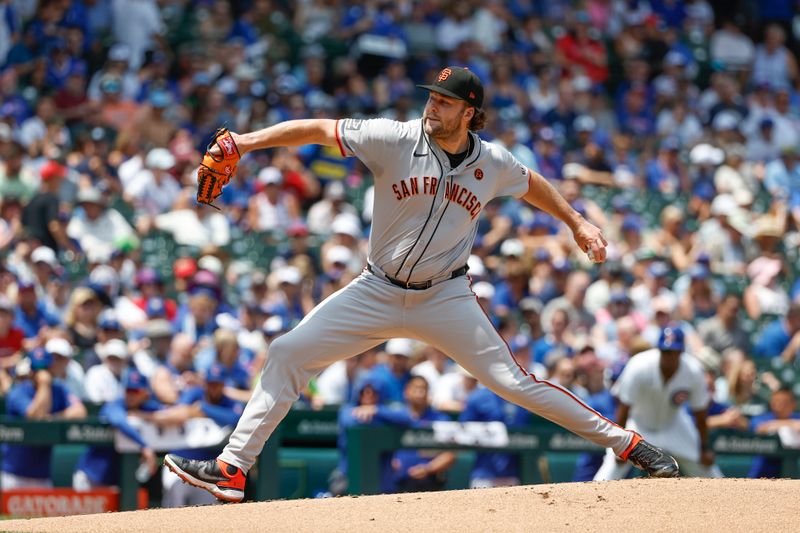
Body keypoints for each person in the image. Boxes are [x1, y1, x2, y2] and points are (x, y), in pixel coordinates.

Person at [166, 66, 678, 503]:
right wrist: (246, 142)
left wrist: (577, 222)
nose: (432, 107)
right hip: (376, 289)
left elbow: (533, 184)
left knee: (515, 383)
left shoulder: (492, 163)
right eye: (431, 97)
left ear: (470, 111)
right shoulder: (394, 137)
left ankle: (627, 444)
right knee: (286, 352)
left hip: (445, 296)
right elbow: (320, 130)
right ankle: (233, 468)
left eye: (445, 101)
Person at [594, 326, 721, 480]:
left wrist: (704, 448)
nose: (669, 356)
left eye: (673, 352)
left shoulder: (693, 370)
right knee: (610, 471)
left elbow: (700, 414)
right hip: (638, 426)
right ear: (659, 350)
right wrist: (618, 446)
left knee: (708, 470)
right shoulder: (639, 364)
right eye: (665, 351)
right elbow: (624, 408)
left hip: (674, 425)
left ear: (681, 352)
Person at [2, 348, 87, 489]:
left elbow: (80, 411)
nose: (41, 372)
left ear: (51, 367)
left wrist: (53, 417)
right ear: (30, 370)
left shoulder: (59, 389)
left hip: (42, 474)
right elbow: (36, 417)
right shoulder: (18, 391)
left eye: (44, 368)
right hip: (14, 473)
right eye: (37, 368)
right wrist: (44, 384)